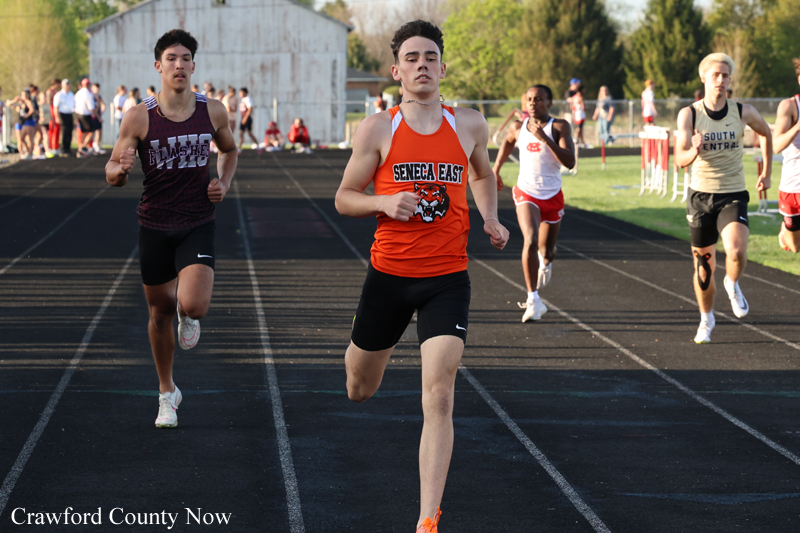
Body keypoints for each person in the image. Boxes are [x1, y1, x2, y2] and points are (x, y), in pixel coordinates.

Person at [334, 20, 509, 533]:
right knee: (359, 388)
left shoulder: (469, 124)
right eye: (411, 58)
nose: (422, 65)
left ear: (443, 67)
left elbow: (481, 173)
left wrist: (491, 217)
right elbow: (344, 198)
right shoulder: (379, 128)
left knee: (440, 393)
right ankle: (359, 350)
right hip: (389, 276)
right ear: (396, 71)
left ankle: (427, 518)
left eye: (430, 56)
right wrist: (384, 201)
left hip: (447, 279)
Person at [105, 29, 238, 428]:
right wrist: (120, 171)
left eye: (185, 59)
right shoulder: (139, 115)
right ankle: (168, 393)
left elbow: (230, 151)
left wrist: (223, 183)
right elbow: (112, 169)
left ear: (193, 66)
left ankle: (190, 314)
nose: (179, 65)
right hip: (155, 224)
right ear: (158, 66)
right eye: (171, 59)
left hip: (197, 220)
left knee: (192, 304)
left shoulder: (212, 111)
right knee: (159, 312)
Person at [674, 53, 773, 344]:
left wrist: (766, 172)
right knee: (704, 270)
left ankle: (732, 282)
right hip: (701, 197)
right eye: (716, 75)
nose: (721, 80)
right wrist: (694, 150)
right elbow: (679, 158)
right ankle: (706, 319)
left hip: (732, 193)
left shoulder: (742, 111)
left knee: (737, 252)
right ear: (703, 78)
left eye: (726, 76)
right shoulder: (689, 114)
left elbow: (766, 132)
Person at [493, 85, 575, 322]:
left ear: (549, 103)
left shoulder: (559, 127)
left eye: (538, 99)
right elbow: (508, 142)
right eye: (529, 99)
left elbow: (569, 162)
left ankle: (547, 258)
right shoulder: (518, 127)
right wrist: (496, 170)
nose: (532, 103)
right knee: (529, 238)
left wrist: (545, 139)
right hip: (526, 192)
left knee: (545, 250)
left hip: (552, 196)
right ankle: (533, 300)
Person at [773, 57, 800, 253]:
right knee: (794, 246)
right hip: (793, 188)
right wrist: (798, 127)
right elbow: (776, 145)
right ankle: (785, 228)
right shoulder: (789, 106)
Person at [9, 90, 36, 159]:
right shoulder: (20, 104)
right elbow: (9, 104)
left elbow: (32, 110)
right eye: (22, 95)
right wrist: (15, 100)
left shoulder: (28, 102)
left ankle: (30, 154)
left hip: (29, 122)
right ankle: (26, 152)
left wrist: (27, 115)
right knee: (21, 139)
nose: (23, 96)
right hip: (23, 123)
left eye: (24, 95)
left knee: (30, 139)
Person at [74, 78, 96, 157]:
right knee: (91, 132)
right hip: (86, 115)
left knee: (83, 132)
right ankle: (82, 147)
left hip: (78, 114)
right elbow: (91, 107)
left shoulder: (78, 93)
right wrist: (96, 115)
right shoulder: (88, 94)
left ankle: (81, 148)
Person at [53, 79, 75, 157]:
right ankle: (64, 149)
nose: (67, 86)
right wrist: (57, 117)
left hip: (69, 114)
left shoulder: (71, 94)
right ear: (63, 86)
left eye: (68, 85)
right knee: (65, 132)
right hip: (62, 114)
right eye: (66, 85)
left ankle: (68, 148)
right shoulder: (59, 95)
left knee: (70, 131)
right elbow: (55, 107)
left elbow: (73, 105)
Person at [569, 81, 588, 147]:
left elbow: (571, 107)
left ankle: (583, 142)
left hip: (576, 114)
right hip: (581, 114)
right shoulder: (580, 97)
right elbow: (583, 107)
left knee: (580, 129)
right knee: (579, 129)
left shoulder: (574, 97)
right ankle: (575, 139)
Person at [46, 79, 61, 153]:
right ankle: (52, 147)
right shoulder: (50, 91)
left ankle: (56, 146)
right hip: (52, 111)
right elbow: (48, 103)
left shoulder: (57, 92)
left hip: (56, 110)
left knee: (57, 129)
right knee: (53, 129)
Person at [91, 83, 107, 154]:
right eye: (95, 88)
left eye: (98, 88)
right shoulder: (90, 96)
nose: (97, 89)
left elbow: (103, 104)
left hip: (97, 116)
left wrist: (101, 113)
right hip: (92, 116)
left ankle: (96, 145)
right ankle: (90, 146)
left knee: (99, 131)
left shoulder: (99, 96)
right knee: (91, 132)